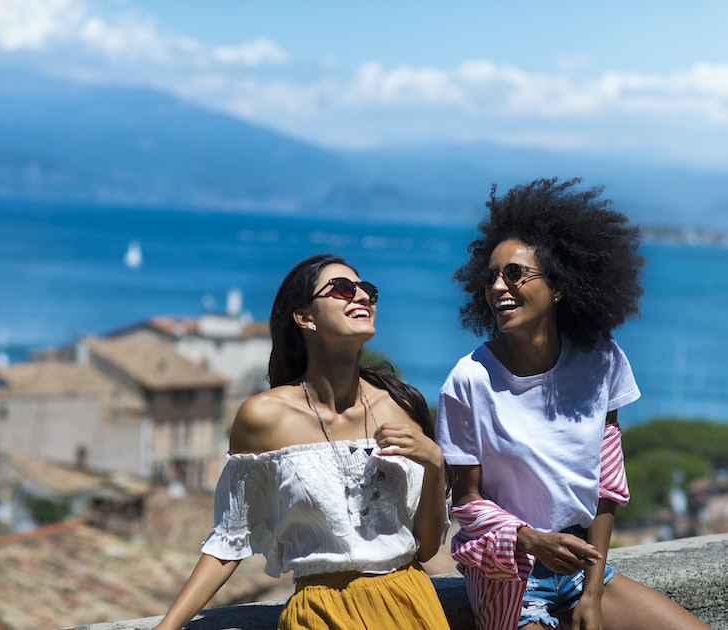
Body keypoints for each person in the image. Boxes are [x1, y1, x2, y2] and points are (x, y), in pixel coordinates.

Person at [435, 178, 711, 630]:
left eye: (515, 274)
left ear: (560, 286)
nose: (498, 287)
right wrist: (530, 540)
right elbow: (465, 502)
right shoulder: (468, 380)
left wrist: (594, 591)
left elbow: (607, 483)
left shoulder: (602, 359)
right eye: (491, 276)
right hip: (509, 574)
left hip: (585, 568)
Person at [155, 253, 451, 630]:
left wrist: (435, 463)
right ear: (305, 317)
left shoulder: (401, 405)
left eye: (367, 290)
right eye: (342, 289)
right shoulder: (264, 418)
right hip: (320, 613)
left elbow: (425, 547)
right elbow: (229, 541)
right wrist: (167, 627)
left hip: (411, 605)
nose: (361, 297)